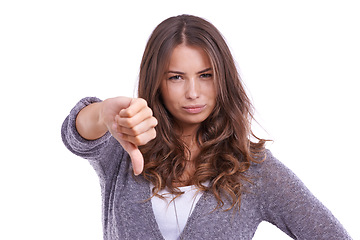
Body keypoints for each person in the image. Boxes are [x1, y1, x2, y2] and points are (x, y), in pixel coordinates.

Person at [61, 15, 352, 240]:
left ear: (222, 78)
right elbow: (76, 136)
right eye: (176, 77)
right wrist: (102, 113)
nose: (193, 92)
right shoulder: (126, 146)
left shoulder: (253, 169)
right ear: (156, 82)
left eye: (205, 75)